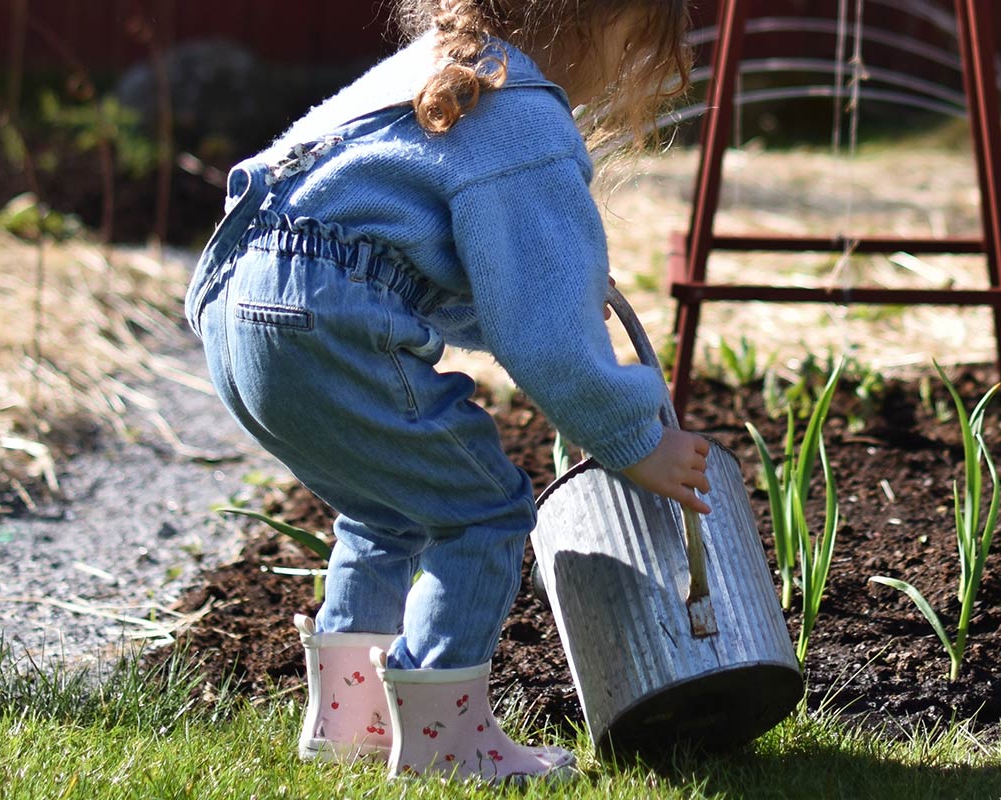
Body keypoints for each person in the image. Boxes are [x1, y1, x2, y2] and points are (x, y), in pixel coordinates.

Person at [183, 0, 708, 784]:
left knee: (384, 511)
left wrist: (539, 297)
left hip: (237, 303)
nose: (627, 71)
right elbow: (547, 339)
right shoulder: (521, 113)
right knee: (482, 510)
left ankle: (350, 722)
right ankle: (445, 745)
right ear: (593, 24)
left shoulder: (434, 64)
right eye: (635, 44)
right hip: (326, 312)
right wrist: (635, 437)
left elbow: (393, 241)